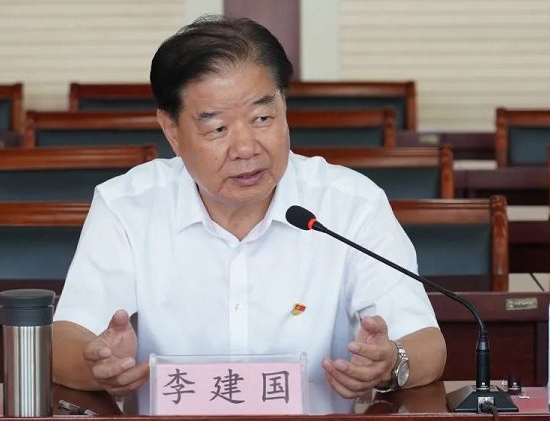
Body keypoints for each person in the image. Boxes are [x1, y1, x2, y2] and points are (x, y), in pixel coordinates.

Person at [52, 15, 446, 414]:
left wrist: (391, 362)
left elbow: (427, 346)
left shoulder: (351, 203)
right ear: (171, 131)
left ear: (284, 107)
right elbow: (65, 341)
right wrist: (98, 365)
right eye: (218, 129)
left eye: (262, 118)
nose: (246, 148)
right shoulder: (126, 205)